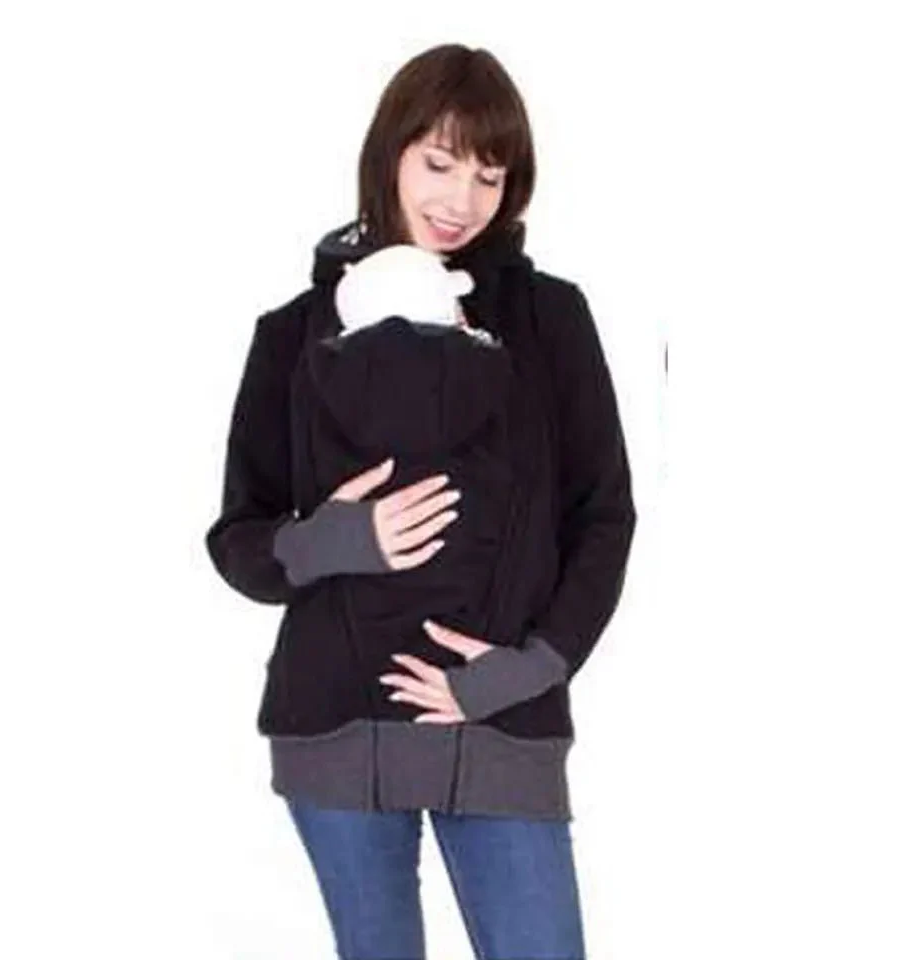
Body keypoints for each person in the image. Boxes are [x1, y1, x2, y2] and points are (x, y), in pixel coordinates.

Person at [205, 43, 636, 960]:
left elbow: (603, 515)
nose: (461, 200)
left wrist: (532, 666)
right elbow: (238, 539)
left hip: (503, 722)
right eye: (439, 163)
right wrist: (330, 540)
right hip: (336, 720)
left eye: (489, 175)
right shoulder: (294, 333)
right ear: (390, 153)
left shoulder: (550, 320)